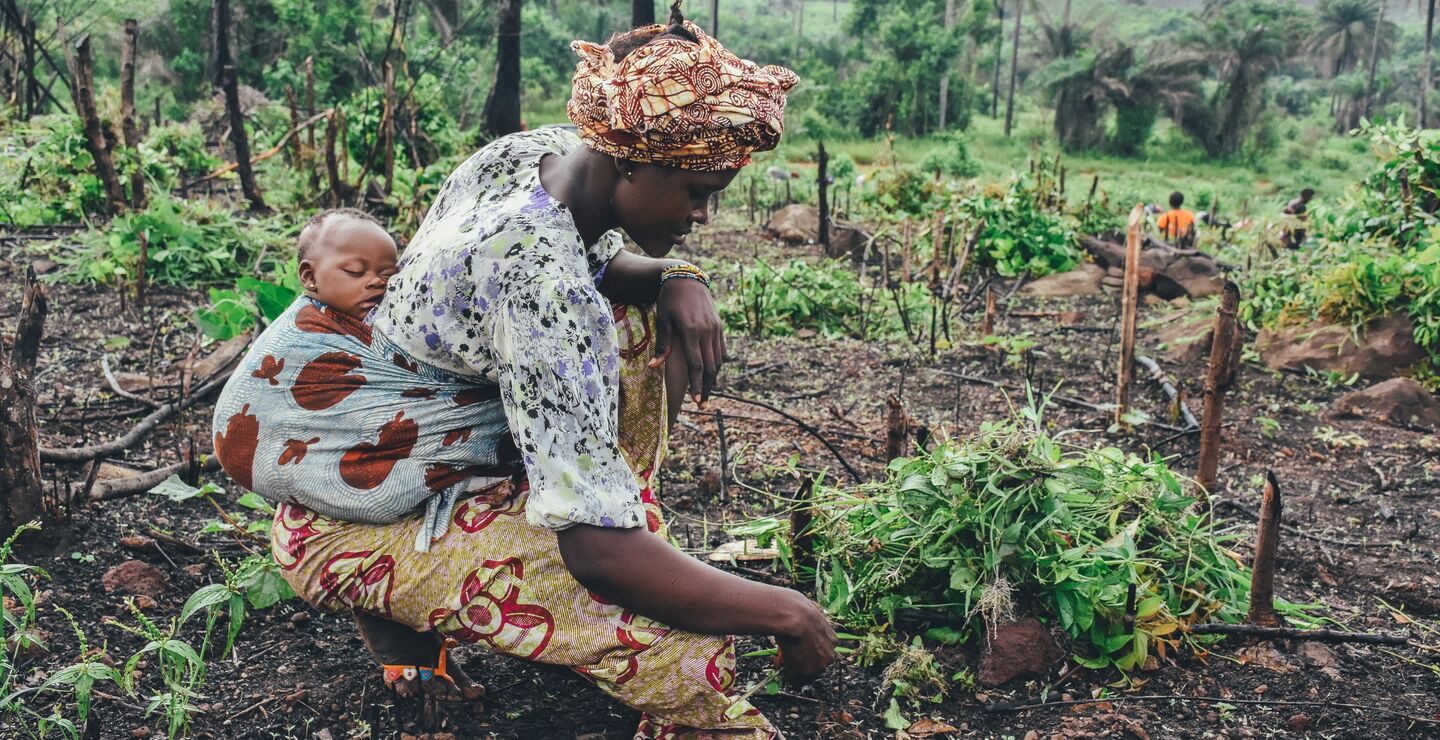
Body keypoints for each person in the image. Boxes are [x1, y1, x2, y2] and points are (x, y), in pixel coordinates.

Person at [214, 8, 833, 738]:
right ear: (633, 160)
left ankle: (585, 505)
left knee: (633, 318)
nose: (704, 213)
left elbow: (597, 259)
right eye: (697, 192)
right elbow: (597, 553)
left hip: (394, 448)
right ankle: (402, 589)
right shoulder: (542, 288)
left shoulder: (535, 157)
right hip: (345, 519)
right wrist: (788, 614)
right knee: (691, 652)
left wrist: (676, 274)